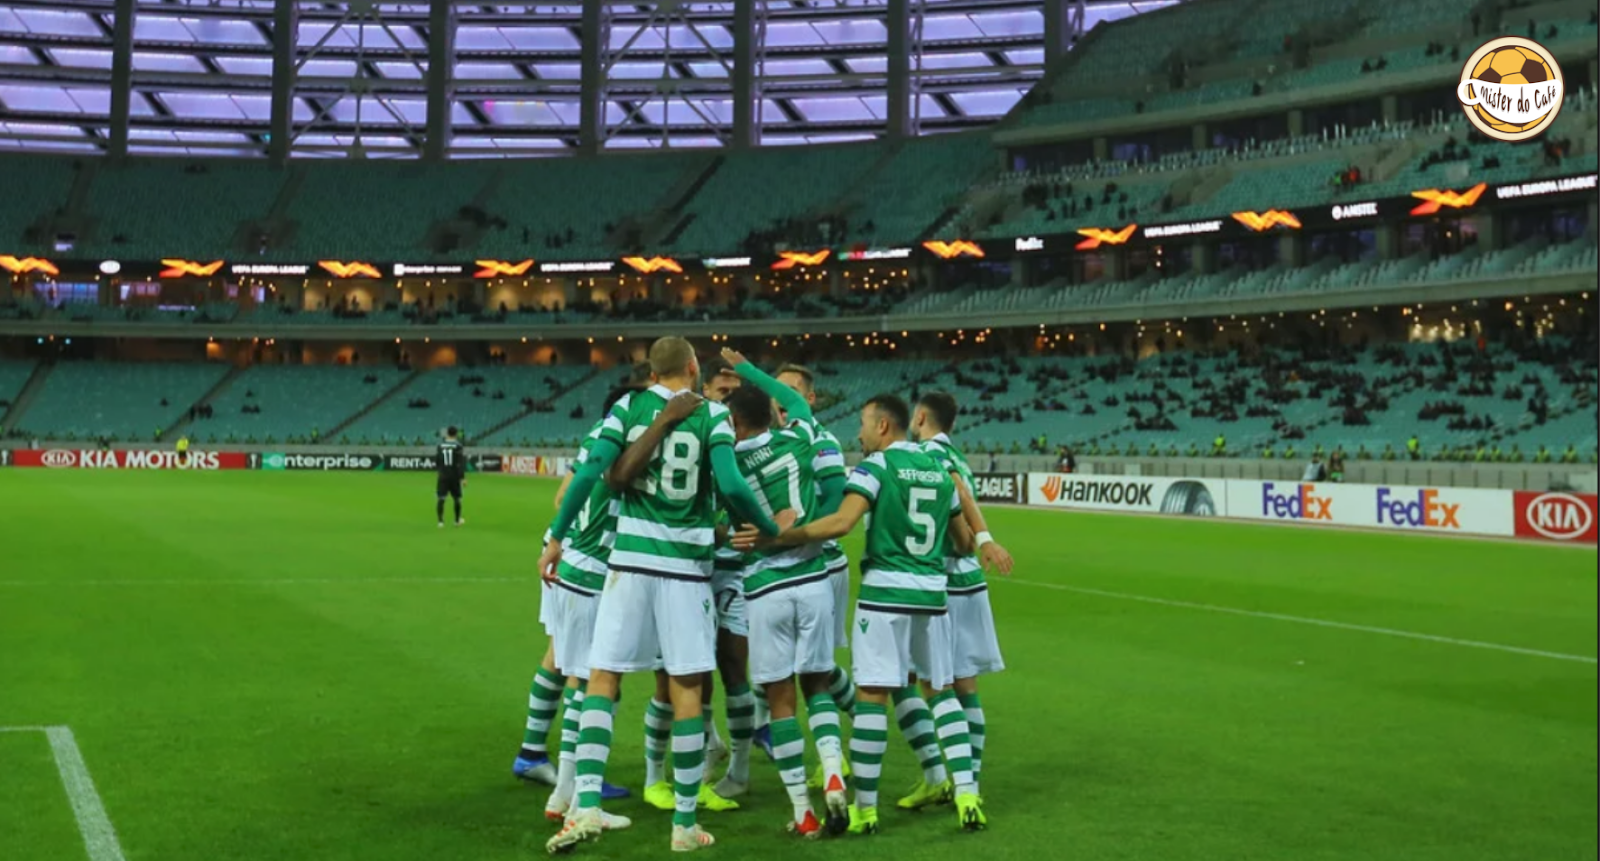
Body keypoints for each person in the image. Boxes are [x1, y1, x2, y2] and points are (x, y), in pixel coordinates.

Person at [539, 337, 781, 854]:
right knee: (687, 688)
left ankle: (584, 805)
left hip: (627, 566)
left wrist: (558, 536)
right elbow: (734, 486)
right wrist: (764, 526)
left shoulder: (628, 406)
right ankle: (685, 824)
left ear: (651, 370)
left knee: (602, 678)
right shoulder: (715, 416)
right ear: (694, 368)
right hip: (688, 572)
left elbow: (591, 473)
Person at [740, 394, 985, 836]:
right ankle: (968, 794)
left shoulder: (875, 468)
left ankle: (865, 811)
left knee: (872, 697)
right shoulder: (937, 469)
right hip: (933, 596)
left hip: (884, 594)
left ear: (884, 428)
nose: (859, 432)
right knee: (941, 691)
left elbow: (840, 524)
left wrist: (780, 537)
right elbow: (965, 542)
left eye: (864, 424)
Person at [719, 384, 848, 837]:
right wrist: (750, 371)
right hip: (813, 578)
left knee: (780, 702)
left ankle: (803, 812)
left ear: (734, 423)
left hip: (765, 587)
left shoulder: (726, 464)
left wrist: (727, 533)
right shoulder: (798, 438)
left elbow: (715, 522)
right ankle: (833, 771)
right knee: (819, 687)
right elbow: (795, 403)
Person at [534, 385, 651, 827]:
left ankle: (563, 794)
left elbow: (565, 497)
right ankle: (580, 803)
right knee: (594, 686)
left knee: (585, 682)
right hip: (591, 577)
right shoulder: (624, 450)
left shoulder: (595, 439)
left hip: (570, 571)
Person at [900, 392, 1014, 811]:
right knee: (964, 685)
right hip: (968, 584)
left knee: (907, 682)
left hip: (943, 580)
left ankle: (938, 776)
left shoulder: (930, 453)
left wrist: (981, 539)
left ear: (922, 416)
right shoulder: (957, 453)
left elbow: (958, 493)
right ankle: (970, 783)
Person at [436, 427, 466, 527]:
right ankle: (457, 521)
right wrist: (462, 478)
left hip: (443, 475)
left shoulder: (440, 446)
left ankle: (440, 522)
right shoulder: (458, 446)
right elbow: (460, 463)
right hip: (454, 476)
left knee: (441, 498)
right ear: (456, 434)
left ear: (447, 433)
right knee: (457, 499)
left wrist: (439, 471)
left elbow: (437, 460)